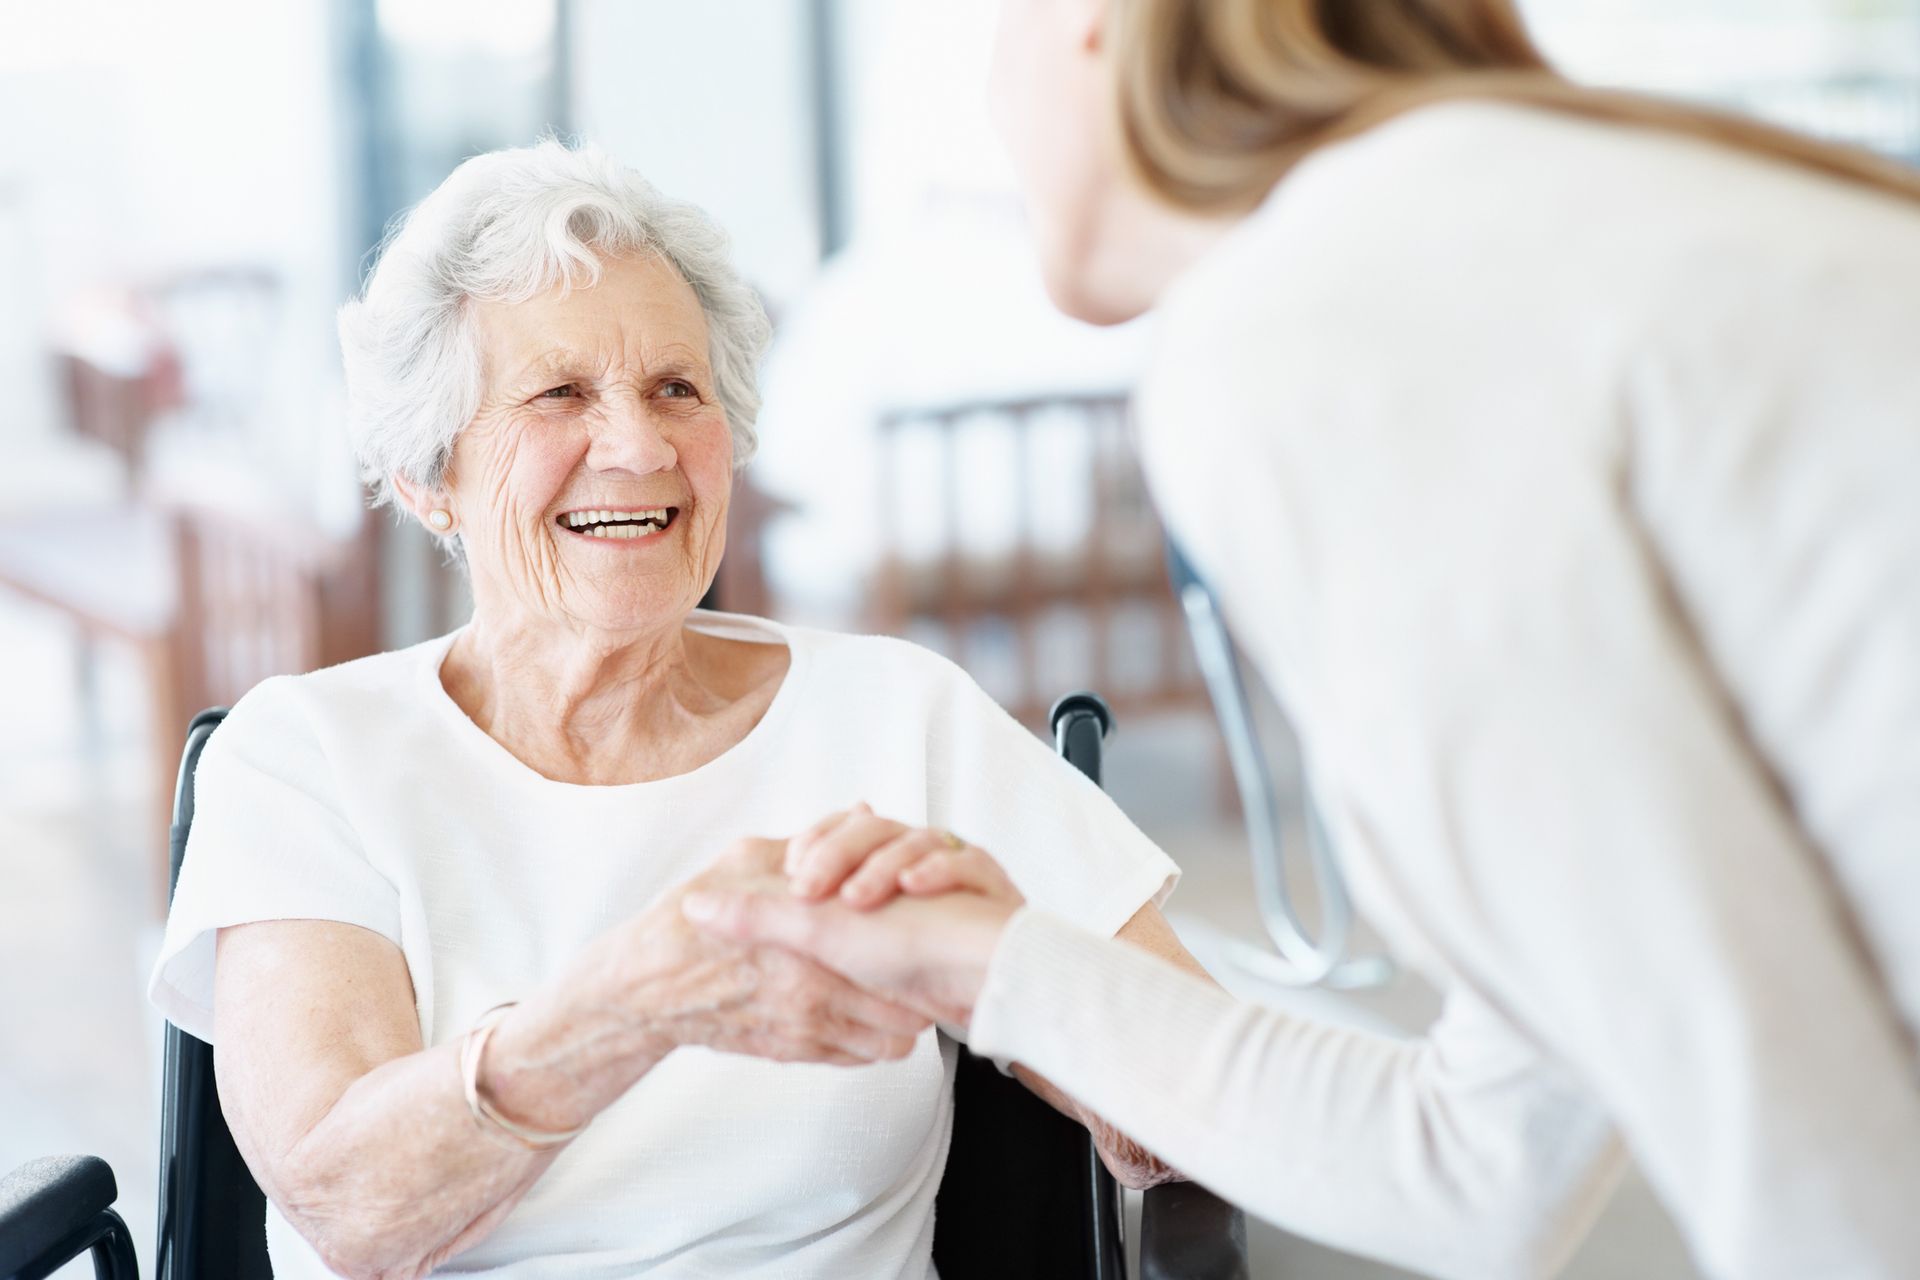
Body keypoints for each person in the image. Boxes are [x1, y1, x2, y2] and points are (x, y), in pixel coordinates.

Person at [683, 2, 1920, 1277]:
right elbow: (1486, 1165)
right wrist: (987, 961)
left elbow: (1803, 1149)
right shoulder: (1565, 211)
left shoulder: (1318, 320)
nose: (986, 93)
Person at [146, 140, 1203, 1280]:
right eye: (560, 393)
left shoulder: (900, 716)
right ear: (426, 472)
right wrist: (636, 1001)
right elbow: (349, 1211)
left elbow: (1201, 1100)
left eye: (676, 389)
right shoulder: (309, 754)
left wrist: (1010, 977)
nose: (640, 445)